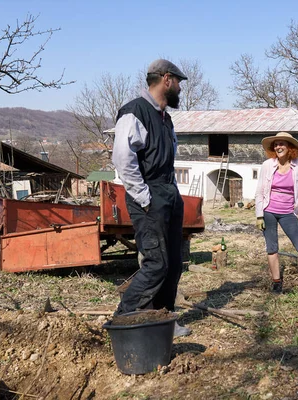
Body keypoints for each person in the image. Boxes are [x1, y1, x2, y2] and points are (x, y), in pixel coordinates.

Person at [112, 59, 191, 336]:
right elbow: (123, 159)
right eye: (179, 83)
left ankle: (164, 321)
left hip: (169, 192)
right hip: (149, 196)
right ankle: (124, 317)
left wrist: (171, 196)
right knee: (156, 263)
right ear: (166, 79)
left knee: (172, 263)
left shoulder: (164, 118)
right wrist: (144, 198)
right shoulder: (135, 112)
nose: (180, 89)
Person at [254, 132, 298, 294]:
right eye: (276, 144)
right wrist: (259, 214)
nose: (278, 147)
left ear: (290, 147)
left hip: (288, 212)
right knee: (272, 248)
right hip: (268, 211)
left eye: (282, 144)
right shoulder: (268, 165)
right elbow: (260, 191)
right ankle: (276, 283)